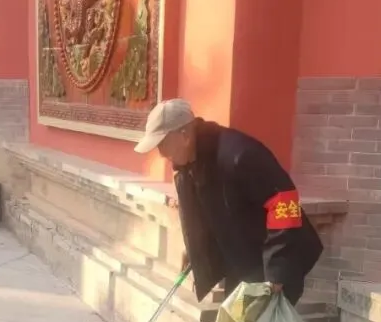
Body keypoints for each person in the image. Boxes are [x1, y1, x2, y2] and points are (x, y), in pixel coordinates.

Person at [134, 98, 323, 308]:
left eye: (162, 144)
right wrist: (195, 250)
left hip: (276, 259)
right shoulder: (192, 162)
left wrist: (277, 274)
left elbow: (285, 204)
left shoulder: (239, 155)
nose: (161, 154)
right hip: (243, 261)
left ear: (185, 136)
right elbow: (204, 210)